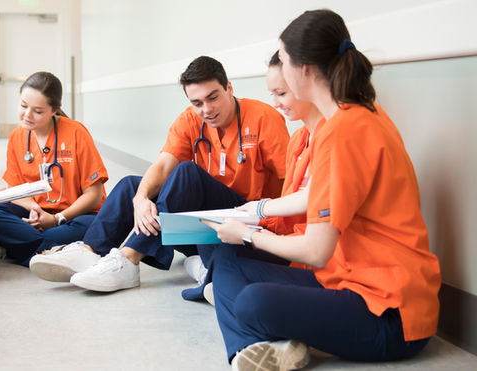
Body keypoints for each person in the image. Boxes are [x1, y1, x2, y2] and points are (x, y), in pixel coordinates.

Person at [202, 9, 441, 371]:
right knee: (227, 264)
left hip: (391, 314)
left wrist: (250, 235)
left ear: (306, 70)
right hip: (346, 278)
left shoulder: (345, 130)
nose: (278, 79)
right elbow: (322, 198)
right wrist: (261, 211)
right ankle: (266, 348)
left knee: (252, 302)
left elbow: (315, 250)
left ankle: (272, 341)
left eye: (283, 61)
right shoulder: (352, 118)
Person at [29, 56, 289, 293]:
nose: (206, 110)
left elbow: (290, 185)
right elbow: (163, 165)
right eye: (197, 102)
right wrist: (141, 199)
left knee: (187, 172)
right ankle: (89, 251)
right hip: (201, 226)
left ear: (229, 89)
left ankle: (128, 260)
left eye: (213, 97)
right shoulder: (190, 120)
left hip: (243, 223)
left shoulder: (264, 118)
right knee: (132, 185)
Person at [184, 50, 325, 295]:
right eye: (197, 103)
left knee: (250, 297)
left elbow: (310, 203)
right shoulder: (300, 139)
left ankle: (214, 280)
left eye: (281, 93)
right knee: (143, 187)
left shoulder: (339, 135)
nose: (276, 103)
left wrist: (255, 218)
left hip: (307, 249)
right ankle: (214, 277)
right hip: (269, 221)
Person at [0, 72, 108, 267]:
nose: (27, 115)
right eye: (23, 106)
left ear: (54, 110)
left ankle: (22, 245)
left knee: (97, 226)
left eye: (38, 111)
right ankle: (54, 251)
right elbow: (14, 189)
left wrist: (57, 219)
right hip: (34, 212)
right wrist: (35, 210)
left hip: (75, 215)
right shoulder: (17, 137)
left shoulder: (76, 133)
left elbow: (94, 195)